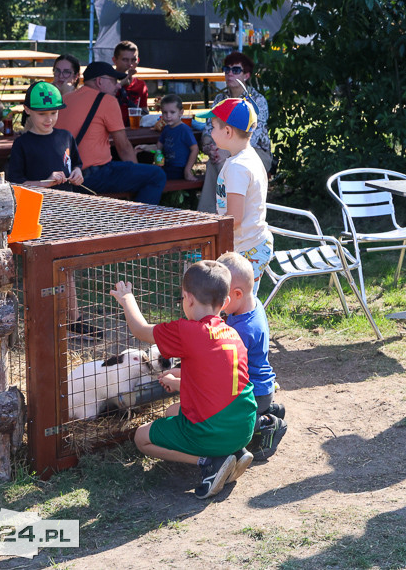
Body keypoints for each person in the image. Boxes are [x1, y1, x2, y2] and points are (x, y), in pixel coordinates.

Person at [111, 260, 257, 499]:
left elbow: (141, 330)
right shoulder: (231, 333)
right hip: (244, 425)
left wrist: (127, 299)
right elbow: (213, 383)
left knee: (141, 438)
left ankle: (210, 461)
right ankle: (236, 451)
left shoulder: (186, 331)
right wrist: (180, 382)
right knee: (172, 411)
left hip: (212, 432)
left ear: (187, 299)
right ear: (226, 302)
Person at [59, 62, 166, 204]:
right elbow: (124, 147)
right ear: (99, 81)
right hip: (92, 176)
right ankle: (139, 224)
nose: (118, 85)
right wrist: (135, 171)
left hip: (66, 176)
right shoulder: (107, 100)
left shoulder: (66, 98)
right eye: (114, 81)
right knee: (156, 175)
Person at [196, 98, 273, 296]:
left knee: (239, 303)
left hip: (247, 250)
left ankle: (247, 327)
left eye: (213, 127)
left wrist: (209, 229)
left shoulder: (238, 168)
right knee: (236, 301)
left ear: (228, 131)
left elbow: (235, 218)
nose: (210, 133)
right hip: (250, 243)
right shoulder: (246, 156)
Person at [218, 252, 286, 460]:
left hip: (253, 392)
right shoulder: (252, 302)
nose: (216, 299)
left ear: (237, 294)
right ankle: (269, 409)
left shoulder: (242, 330)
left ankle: (267, 423)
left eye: (221, 295)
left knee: (228, 425)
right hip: (262, 386)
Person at [198, 51, 272, 213]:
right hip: (222, 150)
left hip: (256, 152)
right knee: (214, 161)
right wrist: (209, 146)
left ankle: (230, 215)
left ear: (246, 75)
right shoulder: (220, 100)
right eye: (227, 69)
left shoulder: (257, 101)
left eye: (236, 70)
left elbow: (252, 137)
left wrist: (226, 153)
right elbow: (208, 129)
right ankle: (209, 216)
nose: (230, 74)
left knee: (226, 164)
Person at [6, 82, 83, 191]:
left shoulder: (66, 137)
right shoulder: (21, 144)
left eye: (53, 112)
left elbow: (76, 164)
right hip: (39, 205)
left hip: (66, 202)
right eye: (41, 114)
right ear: (27, 109)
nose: (49, 119)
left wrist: (77, 172)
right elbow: (15, 183)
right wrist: (44, 183)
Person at [135, 94, 199, 181]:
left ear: (181, 112)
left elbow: (195, 149)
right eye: (165, 112)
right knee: (145, 171)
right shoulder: (166, 129)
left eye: (172, 112)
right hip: (166, 165)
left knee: (150, 176)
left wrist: (187, 170)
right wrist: (144, 147)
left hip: (179, 168)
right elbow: (158, 148)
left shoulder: (184, 129)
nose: (168, 116)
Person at [113, 40, 149, 122]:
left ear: (138, 60)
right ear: (114, 60)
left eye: (133, 60)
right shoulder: (106, 82)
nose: (130, 64)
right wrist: (122, 83)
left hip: (133, 129)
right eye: (125, 60)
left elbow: (145, 112)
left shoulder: (141, 85)